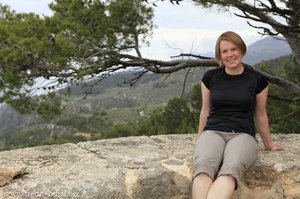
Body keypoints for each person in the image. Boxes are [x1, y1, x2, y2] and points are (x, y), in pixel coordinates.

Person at [192, 31, 283, 199]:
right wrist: (200, 137)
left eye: (233, 49)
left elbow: (261, 114)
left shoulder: (257, 80)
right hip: (213, 131)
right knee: (203, 165)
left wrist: (269, 144)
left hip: (242, 135)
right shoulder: (210, 77)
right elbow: (205, 110)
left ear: (241, 49)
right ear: (219, 55)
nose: (230, 55)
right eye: (224, 51)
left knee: (231, 169)